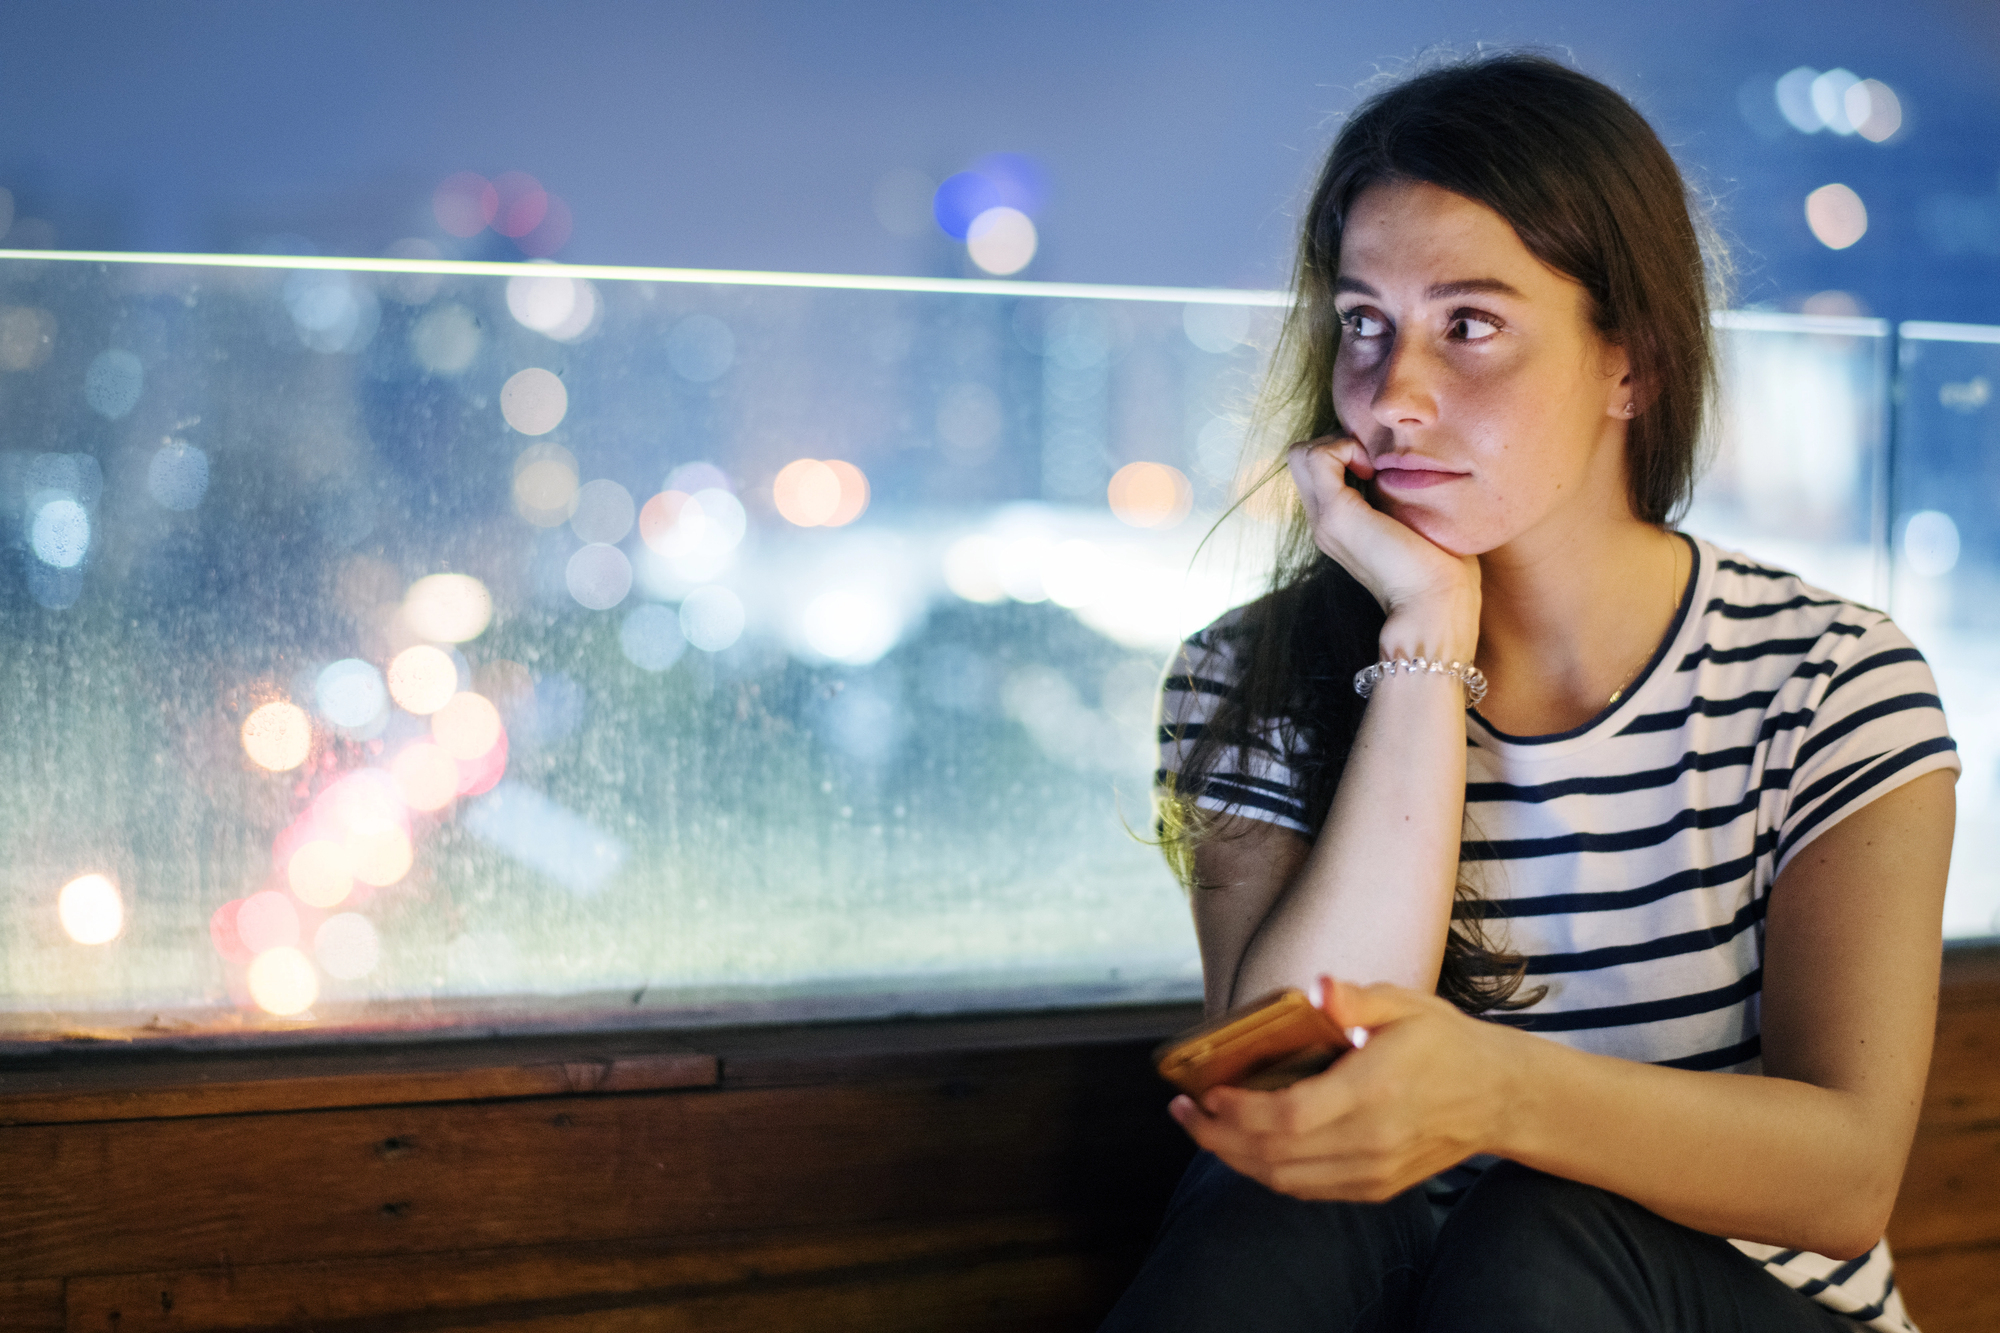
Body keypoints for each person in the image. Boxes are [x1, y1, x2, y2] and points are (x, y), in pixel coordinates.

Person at [1101, 53, 1959, 1333]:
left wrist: (1495, 1094)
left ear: (1633, 364)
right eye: (1362, 322)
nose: (1393, 395)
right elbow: (1285, 1095)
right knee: (1278, 1204)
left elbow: (1842, 1178)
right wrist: (1425, 637)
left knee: (1543, 1230)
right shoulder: (1249, 681)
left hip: (1743, 1308)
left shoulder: (1824, 678)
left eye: (1469, 324)